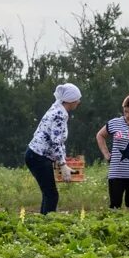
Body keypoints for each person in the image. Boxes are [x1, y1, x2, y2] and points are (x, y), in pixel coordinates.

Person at [26, 83, 82, 215]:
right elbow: (56, 141)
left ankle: (42, 222)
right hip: (38, 157)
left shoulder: (57, 108)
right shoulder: (59, 115)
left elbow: (56, 141)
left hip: (36, 155)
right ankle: (47, 225)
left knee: (48, 193)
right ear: (70, 100)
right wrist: (62, 164)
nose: (78, 102)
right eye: (77, 99)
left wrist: (61, 158)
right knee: (51, 195)